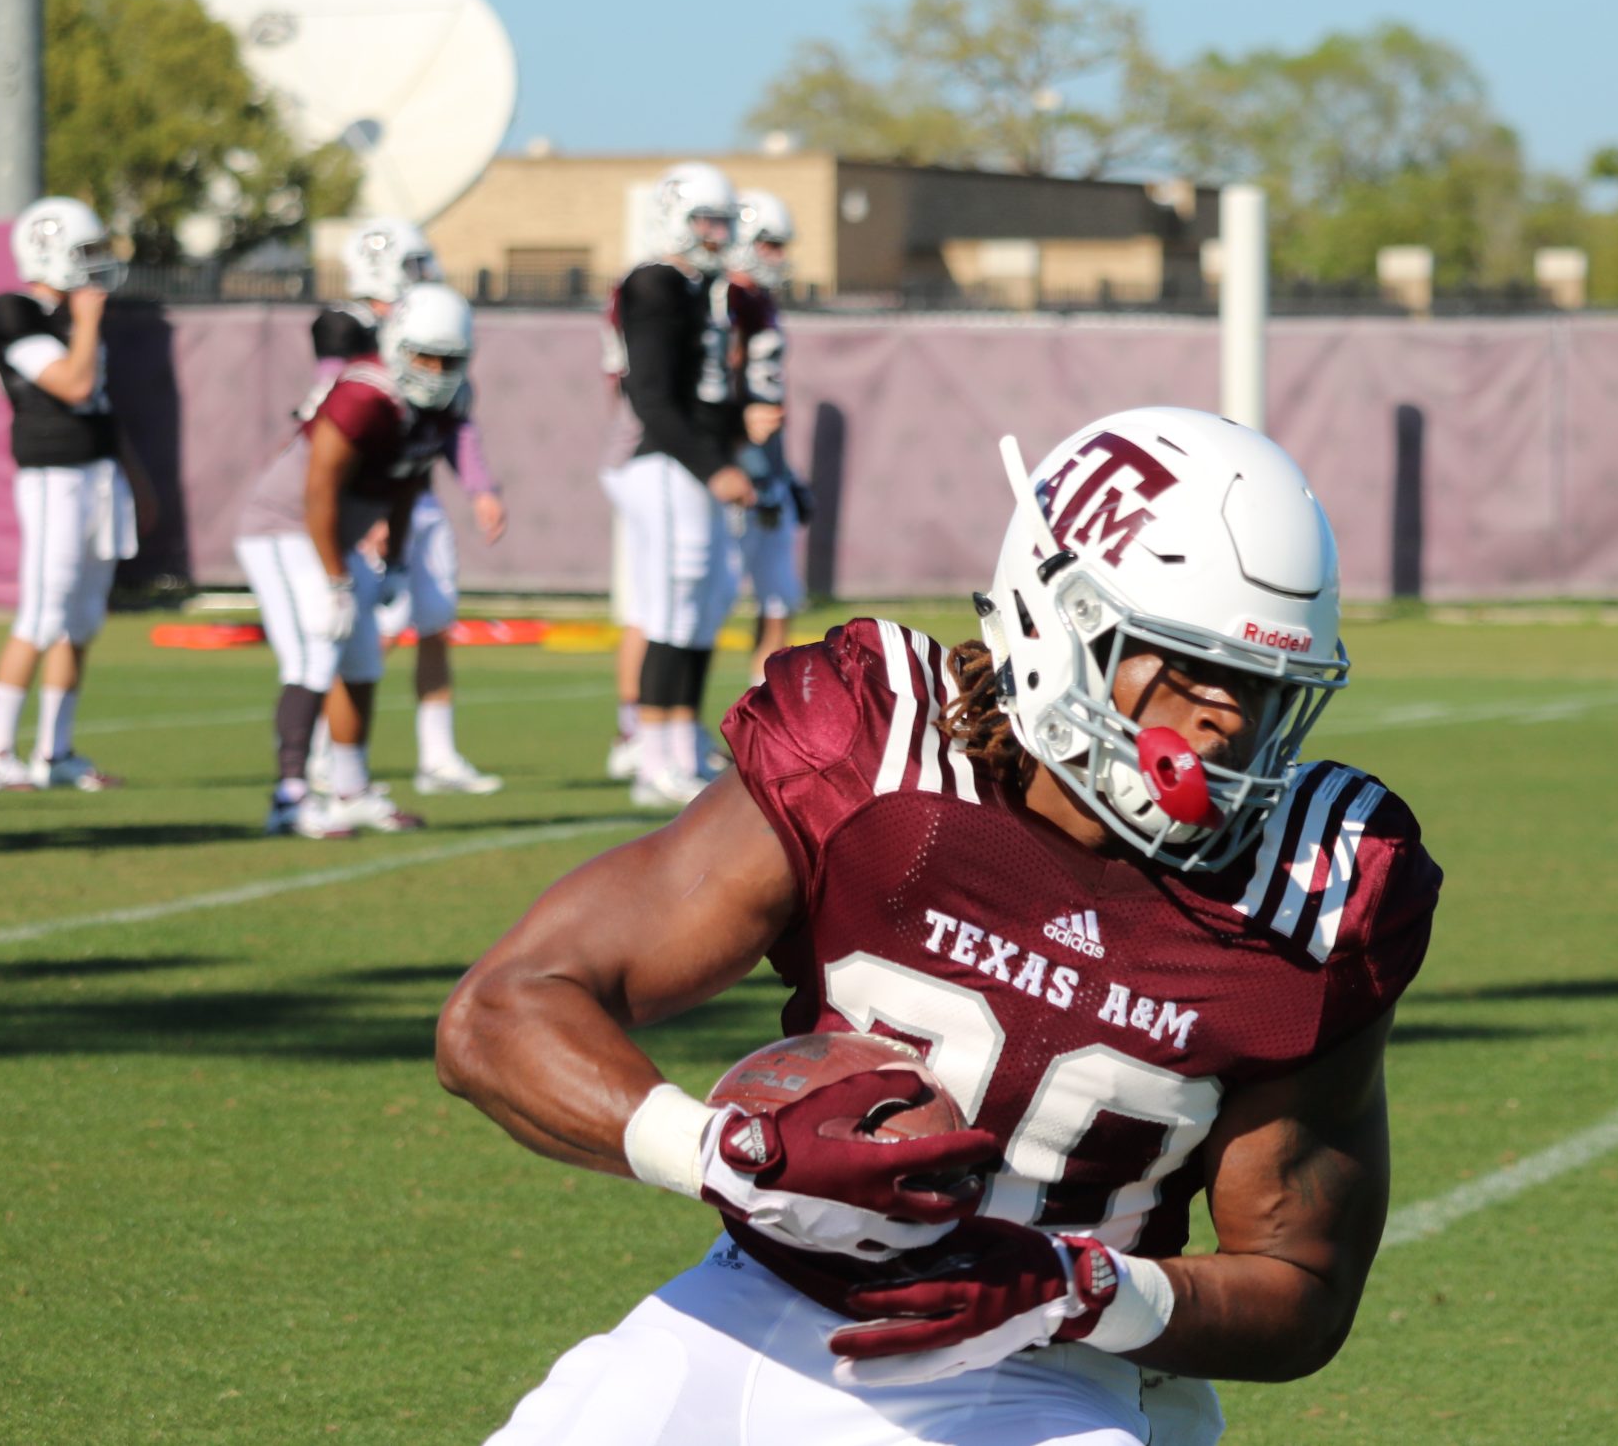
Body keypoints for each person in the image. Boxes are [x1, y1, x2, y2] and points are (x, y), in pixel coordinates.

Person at [439, 407, 1440, 1446]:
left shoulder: (1315, 890)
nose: (1229, 719)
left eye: (1267, 685)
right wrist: (716, 1150)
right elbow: (500, 1012)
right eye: (1189, 667)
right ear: (1060, 623)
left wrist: (1078, 1288)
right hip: (754, 1306)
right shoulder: (878, 758)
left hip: (1043, 1372)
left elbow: (1298, 1282)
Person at [233, 284, 473, 838]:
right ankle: (289, 797)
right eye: (424, 356)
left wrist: (399, 559)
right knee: (316, 649)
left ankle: (350, 788)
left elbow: (413, 479)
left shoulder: (450, 400)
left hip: (342, 534)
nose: (436, 370)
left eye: (449, 359)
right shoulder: (365, 394)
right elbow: (318, 489)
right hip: (286, 526)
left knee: (363, 659)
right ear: (397, 346)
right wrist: (337, 579)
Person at [308, 220, 509, 796]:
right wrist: (366, 507)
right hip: (369, 496)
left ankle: (438, 755)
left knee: (434, 619)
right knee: (366, 633)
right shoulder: (345, 326)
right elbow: (339, 413)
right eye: (414, 265)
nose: (425, 276)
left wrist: (480, 487)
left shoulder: (437, 323)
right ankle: (331, 749)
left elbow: (456, 421)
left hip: (412, 493)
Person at [0, 197, 143, 792]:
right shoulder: (12, 312)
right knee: (41, 615)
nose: (95, 265)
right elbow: (70, 384)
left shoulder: (72, 312)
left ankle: (55, 752)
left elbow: (101, 405)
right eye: (85, 253)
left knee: (83, 621)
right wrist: (88, 321)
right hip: (53, 477)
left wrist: (134, 481)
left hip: (98, 475)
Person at [599, 162, 755, 807]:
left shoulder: (701, 288)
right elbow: (650, 393)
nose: (715, 234)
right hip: (663, 461)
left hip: (690, 463)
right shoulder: (656, 284)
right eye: (705, 221)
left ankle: (683, 745)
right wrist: (712, 464)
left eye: (722, 222)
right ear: (674, 218)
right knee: (668, 609)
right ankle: (653, 757)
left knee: (702, 606)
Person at [729, 188, 809, 689]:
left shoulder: (760, 302)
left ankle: (762, 717)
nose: (777, 258)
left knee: (778, 598)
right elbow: (723, 386)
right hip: (733, 468)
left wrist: (782, 473)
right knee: (697, 610)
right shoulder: (729, 301)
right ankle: (651, 732)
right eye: (769, 244)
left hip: (765, 468)